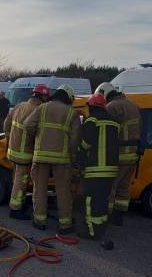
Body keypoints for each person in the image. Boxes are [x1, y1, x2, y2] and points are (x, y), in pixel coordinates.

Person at [23, 85, 81, 233]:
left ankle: (40, 221)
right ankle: (65, 224)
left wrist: (36, 137)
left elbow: (28, 125)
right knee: (63, 191)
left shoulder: (43, 108)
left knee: (40, 188)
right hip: (62, 159)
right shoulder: (71, 113)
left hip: (41, 156)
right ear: (68, 97)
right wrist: (73, 158)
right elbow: (75, 139)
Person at [95, 82, 142, 226]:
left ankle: (106, 216)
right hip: (132, 154)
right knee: (123, 187)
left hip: (119, 154)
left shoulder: (112, 107)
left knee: (110, 186)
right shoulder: (132, 105)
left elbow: (105, 130)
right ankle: (118, 216)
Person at [4, 84, 50, 220]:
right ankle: (15, 209)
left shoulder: (20, 105)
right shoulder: (38, 110)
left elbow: (6, 123)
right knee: (21, 180)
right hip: (25, 153)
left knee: (17, 178)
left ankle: (18, 202)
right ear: (43, 97)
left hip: (13, 151)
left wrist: (9, 139)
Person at [77, 93, 120, 240]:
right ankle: (101, 226)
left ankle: (91, 231)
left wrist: (79, 160)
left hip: (95, 168)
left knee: (90, 200)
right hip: (111, 169)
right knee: (103, 199)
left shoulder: (92, 120)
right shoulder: (115, 122)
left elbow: (85, 144)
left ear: (91, 106)